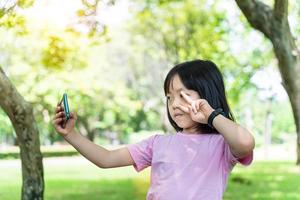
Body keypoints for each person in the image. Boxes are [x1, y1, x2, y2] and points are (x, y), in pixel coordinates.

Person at [53, 59, 255, 200]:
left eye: (183, 95)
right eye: (169, 97)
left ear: (206, 95)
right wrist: (71, 134)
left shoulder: (222, 145)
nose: (174, 104)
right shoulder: (158, 143)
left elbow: (245, 142)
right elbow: (106, 159)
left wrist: (211, 116)